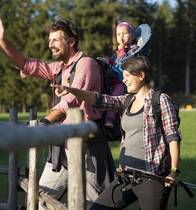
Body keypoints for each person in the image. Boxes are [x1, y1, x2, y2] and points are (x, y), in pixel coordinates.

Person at [0, 12, 115, 209]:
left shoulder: (86, 65)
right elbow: (26, 64)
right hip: (61, 147)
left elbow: (69, 103)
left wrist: (43, 123)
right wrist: (3, 40)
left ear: (71, 42)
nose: (50, 45)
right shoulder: (58, 68)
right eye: (49, 40)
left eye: (55, 40)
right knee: (39, 201)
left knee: (94, 206)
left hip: (88, 149)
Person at [53, 55, 181, 210]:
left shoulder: (160, 100)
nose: (124, 80)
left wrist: (173, 171)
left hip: (152, 179)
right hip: (125, 177)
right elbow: (99, 99)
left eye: (127, 76)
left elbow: (173, 137)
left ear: (141, 75)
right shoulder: (127, 101)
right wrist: (70, 90)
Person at [104, 21, 137, 129]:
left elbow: (125, 62)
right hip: (112, 79)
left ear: (132, 36)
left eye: (125, 33)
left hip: (122, 82)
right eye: (118, 34)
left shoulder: (134, 50)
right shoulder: (118, 51)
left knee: (116, 93)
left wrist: (122, 51)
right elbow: (114, 62)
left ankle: (109, 118)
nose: (121, 36)